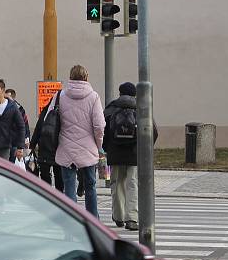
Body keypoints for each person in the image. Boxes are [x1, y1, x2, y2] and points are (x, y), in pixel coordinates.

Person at [103, 82, 158, 231]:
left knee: (116, 183)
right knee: (132, 184)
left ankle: (118, 216)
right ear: (135, 94)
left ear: (120, 93)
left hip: (115, 153)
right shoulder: (142, 108)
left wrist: (106, 148)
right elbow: (153, 131)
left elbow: (103, 130)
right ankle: (132, 218)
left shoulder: (110, 109)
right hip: (135, 153)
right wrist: (145, 149)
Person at [55, 65, 105, 217]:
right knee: (90, 185)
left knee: (69, 187)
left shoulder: (60, 96)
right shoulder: (94, 97)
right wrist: (99, 145)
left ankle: (72, 221)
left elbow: (51, 119)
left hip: (66, 148)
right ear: (86, 77)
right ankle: (93, 220)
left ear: (70, 77)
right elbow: (99, 125)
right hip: (88, 149)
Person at [29, 93, 64, 192]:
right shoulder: (64, 112)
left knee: (45, 175)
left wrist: (32, 145)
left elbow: (38, 128)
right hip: (58, 149)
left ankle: (48, 195)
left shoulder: (46, 111)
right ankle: (58, 196)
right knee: (59, 176)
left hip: (45, 148)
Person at [5, 88, 30, 162]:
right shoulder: (3, 108)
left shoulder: (19, 109)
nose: (6, 99)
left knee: (12, 163)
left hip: (15, 143)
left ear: (13, 98)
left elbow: (25, 125)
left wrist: (26, 138)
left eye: (8, 97)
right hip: (5, 142)